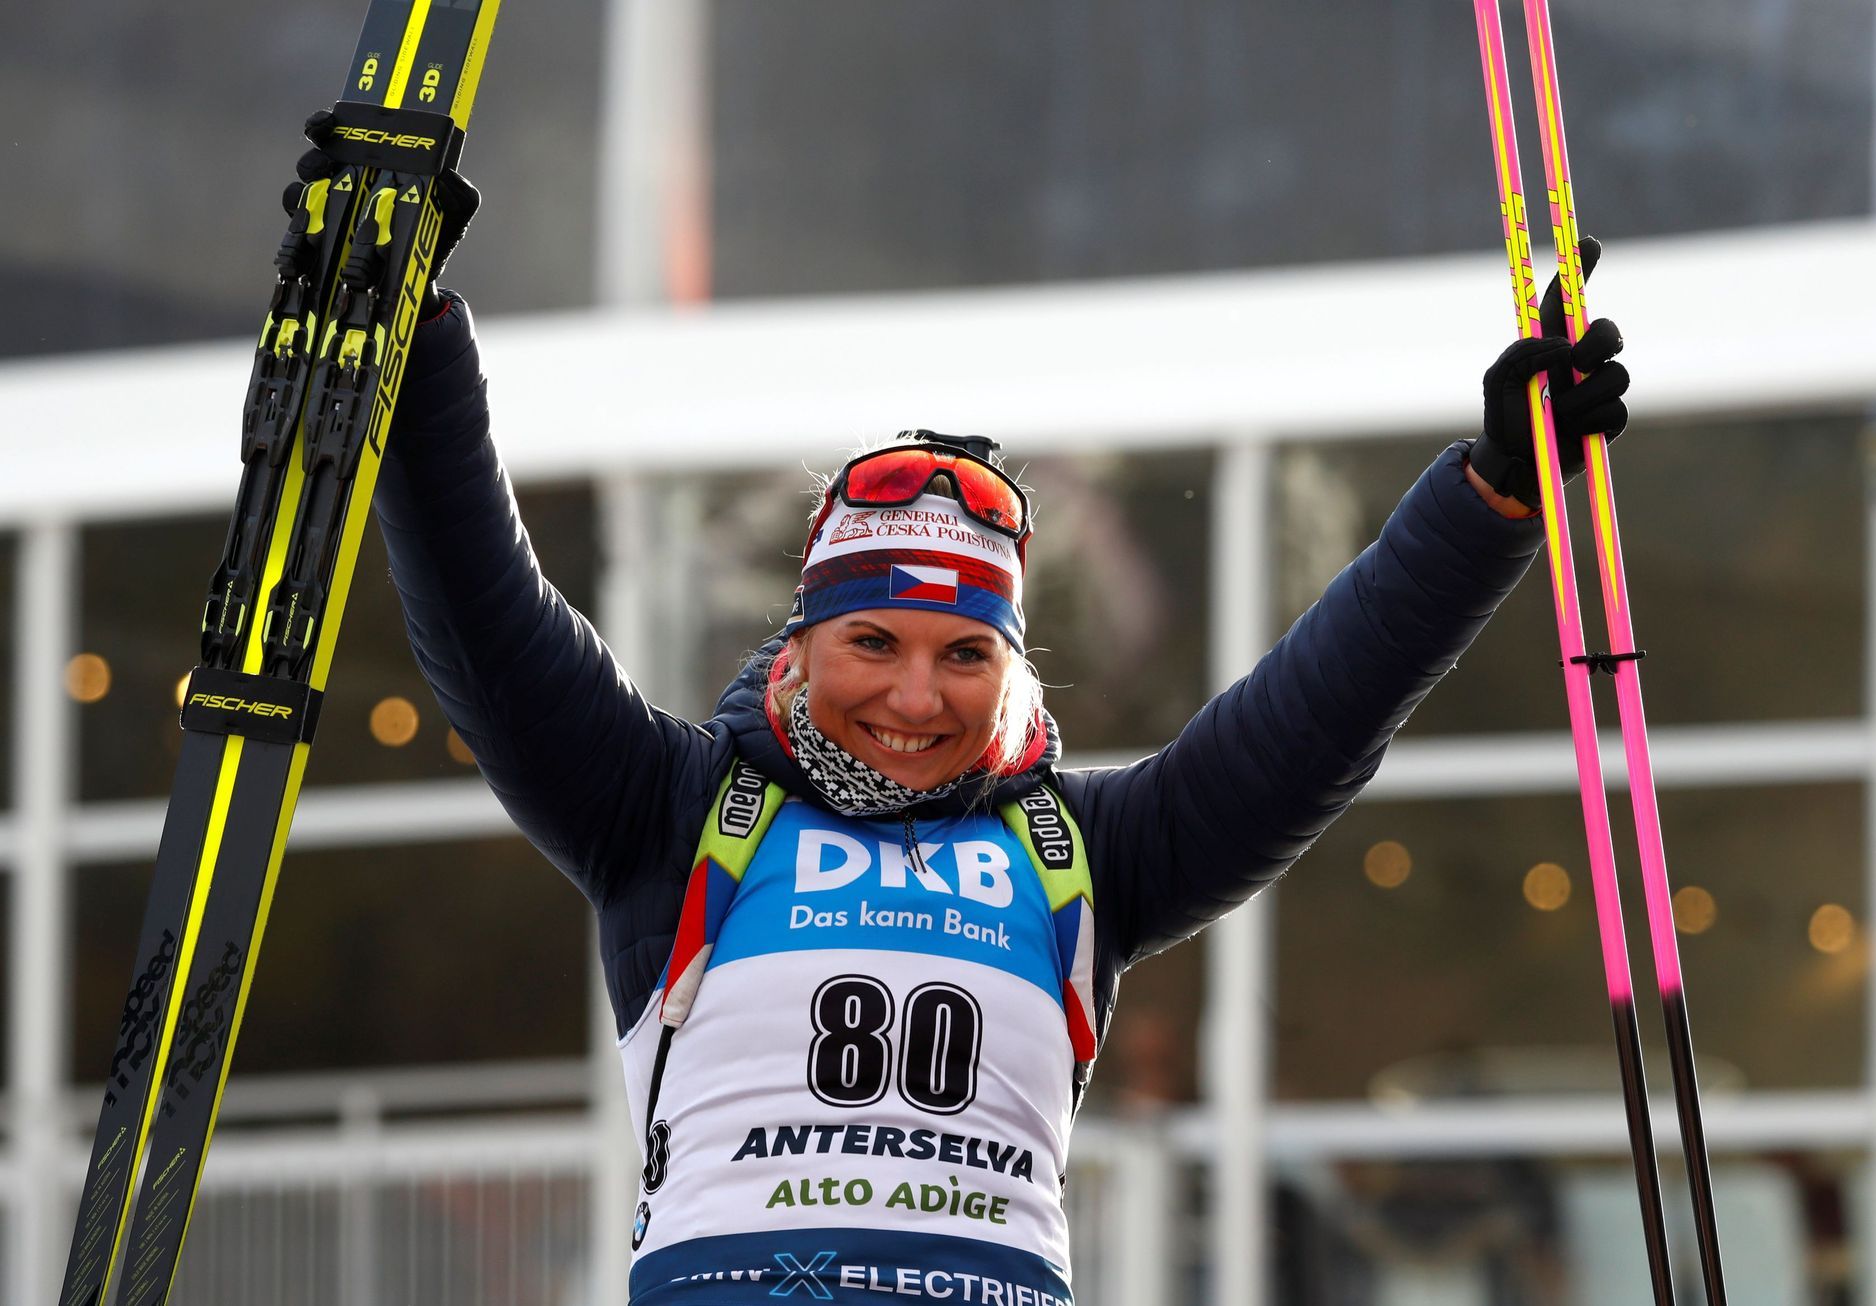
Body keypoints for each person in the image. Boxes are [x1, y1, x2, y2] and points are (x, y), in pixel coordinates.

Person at [330, 143, 1630, 1304]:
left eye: (966, 654)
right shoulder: (668, 811)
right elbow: (484, 616)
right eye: (872, 642)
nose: (914, 694)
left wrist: (1493, 496)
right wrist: (418, 334)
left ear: (1012, 669)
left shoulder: (1087, 849)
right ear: (803, 638)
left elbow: (1321, 710)